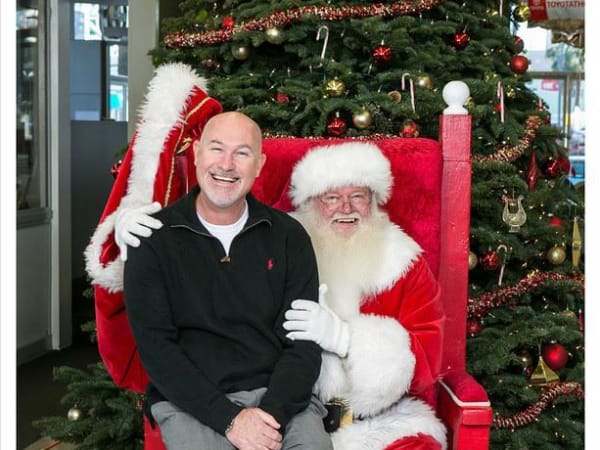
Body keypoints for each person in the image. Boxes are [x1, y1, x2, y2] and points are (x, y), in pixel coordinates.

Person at [122, 111, 332, 450]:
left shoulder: (289, 236)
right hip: (190, 401)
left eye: (242, 153)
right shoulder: (152, 240)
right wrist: (230, 419)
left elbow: (303, 345)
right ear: (196, 154)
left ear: (259, 164)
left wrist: (270, 416)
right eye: (217, 148)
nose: (226, 164)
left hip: (277, 397)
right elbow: (157, 350)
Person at [282, 142, 447, 450]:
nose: (346, 209)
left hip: (382, 419)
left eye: (357, 196)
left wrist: (346, 340)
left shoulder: (404, 263)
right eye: (332, 197)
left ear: (373, 202)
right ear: (311, 203)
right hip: (294, 412)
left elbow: (429, 354)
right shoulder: (279, 249)